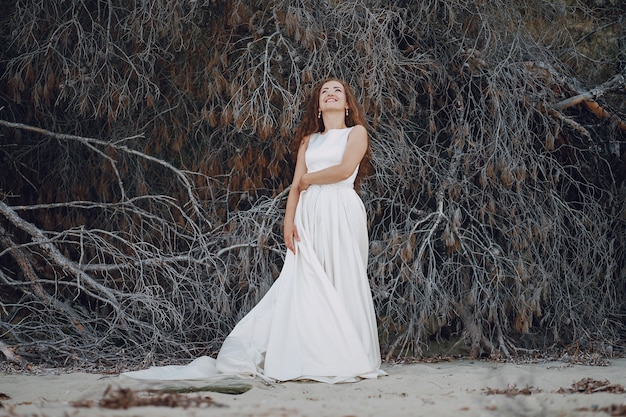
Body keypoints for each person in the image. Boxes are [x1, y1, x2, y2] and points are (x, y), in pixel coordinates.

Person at [123, 78, 384, 383]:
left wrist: (309, 180)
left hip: (341, 209)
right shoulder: (308, 141)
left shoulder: (357, 133)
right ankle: (316, 350)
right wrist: (289, 222)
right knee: (308, 279)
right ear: (317, 105)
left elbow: (343, 170)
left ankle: (349, 352)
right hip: (309, 214)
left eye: (337, 91)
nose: (330, 94)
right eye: (324, 91)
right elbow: (295, 185)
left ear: (347, 103)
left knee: (342, 274)